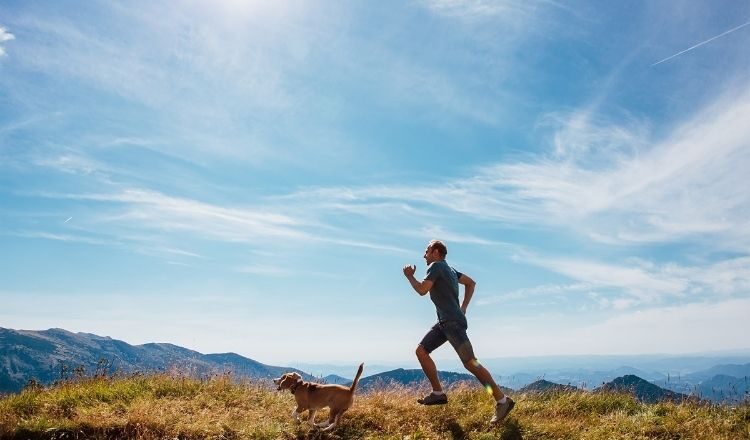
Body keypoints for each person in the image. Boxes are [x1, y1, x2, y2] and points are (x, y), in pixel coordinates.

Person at [402, 239, 514, 424]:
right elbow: (471, 283)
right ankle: (438, 393)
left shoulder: (436, 266)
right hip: (445, 323)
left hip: (452, 323)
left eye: (427, 251)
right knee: (421, 351)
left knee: (471, 363)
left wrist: (409, 276)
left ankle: (503, 401)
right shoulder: (452, 271)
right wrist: (463, 307)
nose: (424, 255)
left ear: (436, 252)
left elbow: (422, 290)